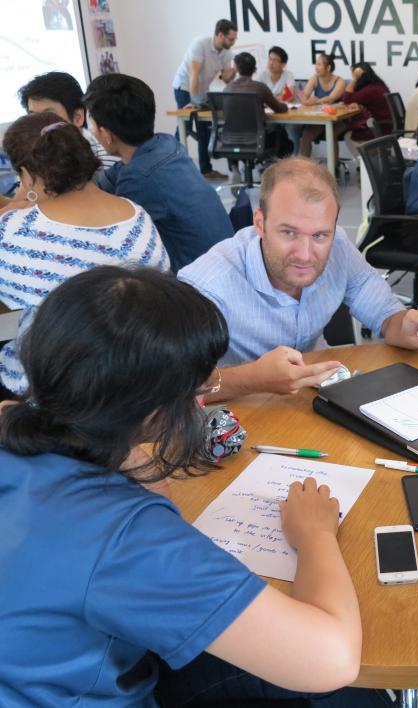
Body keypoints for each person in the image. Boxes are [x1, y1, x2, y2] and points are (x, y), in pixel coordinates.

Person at [0, 266, 391, 707]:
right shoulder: (126, 537)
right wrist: (316, 534)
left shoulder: (16, 427)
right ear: (150, 414)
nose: (201, 402)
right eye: (194, 392)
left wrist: (127, 444)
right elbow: (333, 659)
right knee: (350, 696)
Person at [178, 158, 418, 400]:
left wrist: (407, 327)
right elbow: (170, 386)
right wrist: (253, 378)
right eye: (289, 233)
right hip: (241, 414)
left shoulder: (339, 246)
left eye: (319, 235)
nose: (305, 255)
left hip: (319, 398)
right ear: (259, 223)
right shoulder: (207, 284)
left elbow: (386, 315)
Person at [0, 112, 168, 398]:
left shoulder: (13, 231)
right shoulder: (137, 217)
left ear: (27, 175)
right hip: (138, 385)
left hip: (48, 397)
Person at [85, 73, 234, 272]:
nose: (91, 131)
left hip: (199, 282)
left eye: (92, 124)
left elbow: (114, 238)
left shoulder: (139, 178)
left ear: (107, 135)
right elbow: (108, 179)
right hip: (223, 261)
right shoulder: (165, 144)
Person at [172, 18, 238, 180]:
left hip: (203, 91)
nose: (233, 42)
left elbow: (226, 78)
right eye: (231, 39)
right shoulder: (200, 44)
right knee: (185, 128)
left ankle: (206, 170)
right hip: (185, 88)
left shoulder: (226, 53)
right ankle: (171, 166)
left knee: (205, 131)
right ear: (220, 35)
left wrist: (236, 69)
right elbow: (194, 74)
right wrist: (194, 102)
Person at [17, 71, 119, 173]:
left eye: (49, 116)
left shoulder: (109, 161)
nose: (39, 125)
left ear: (78, 118)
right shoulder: (34, 158)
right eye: (32, 116)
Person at [299, 53, 346, 158]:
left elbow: (332, 98)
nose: (316, 67)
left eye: (319, 64)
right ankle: (304, 167)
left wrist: (316, 101)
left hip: (337, 119)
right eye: (316, 64)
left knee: (331, 133)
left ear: (328, 67)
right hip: (320, 118)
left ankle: (334, 167)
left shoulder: (339, 81)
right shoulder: (314, 78)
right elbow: (305, 95)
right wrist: (305, 99)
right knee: (306, 134)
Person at [341, 62, 393, 140]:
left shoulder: (370, 90)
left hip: (378, 130)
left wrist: (354, 79)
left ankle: (369, 152)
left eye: (354, 74)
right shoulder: (378, 86)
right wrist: (360, 105)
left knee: (348, 136)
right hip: (386, 127)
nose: (353, 76)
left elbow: (347, 99)